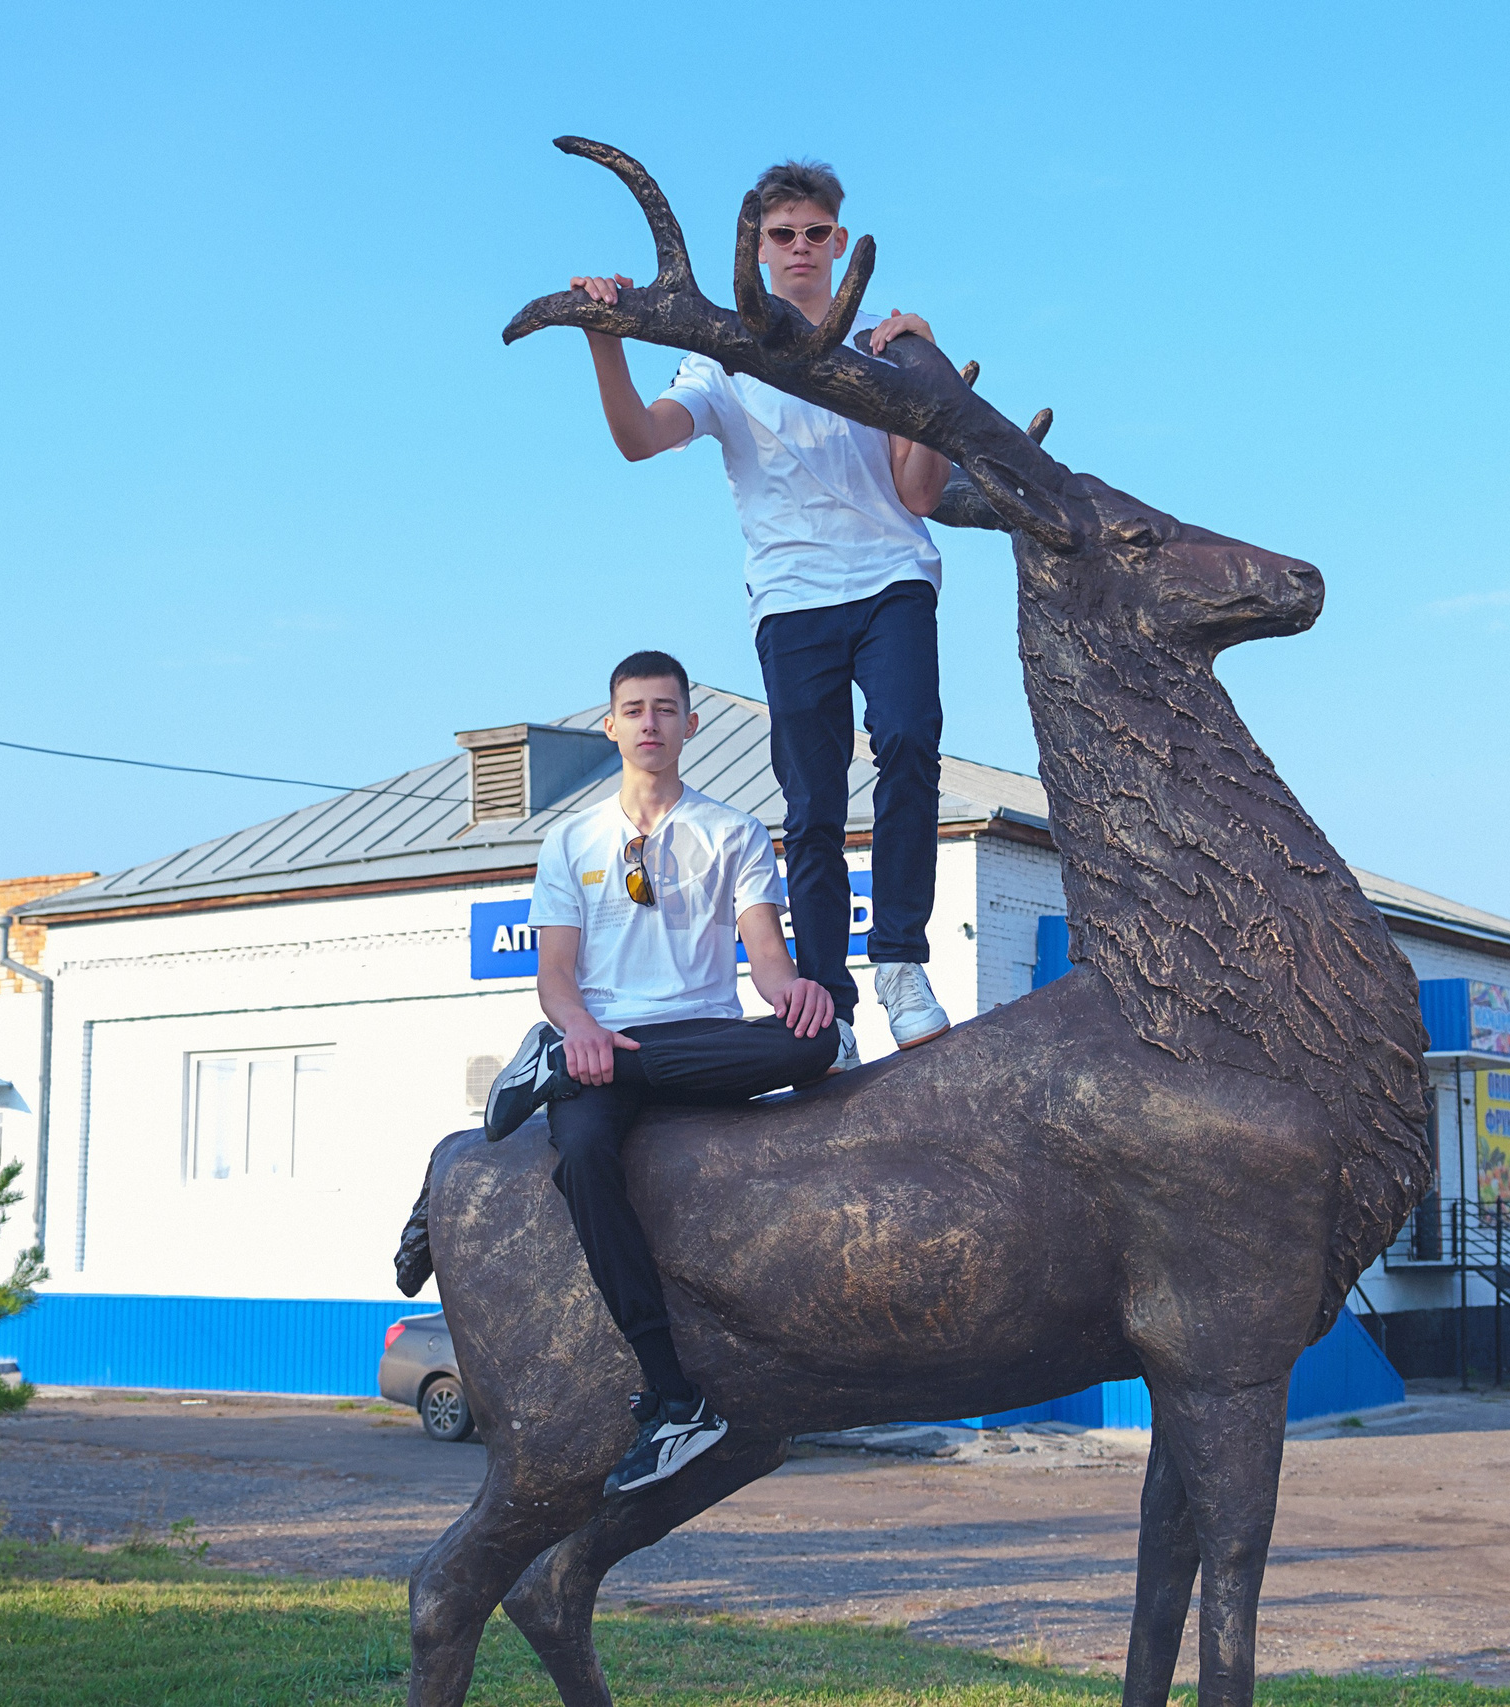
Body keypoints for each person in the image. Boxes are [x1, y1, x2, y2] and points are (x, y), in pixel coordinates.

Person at [563, 157, 954, 1071]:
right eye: (784, 235)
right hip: (791, 597)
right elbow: (639, 440)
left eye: (818, 233)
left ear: (841, 242)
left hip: (892, 575)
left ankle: (899, 961)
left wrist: (931, 384)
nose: (802, 249)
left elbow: (921, 492)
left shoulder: (887, 340)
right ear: (759, 247)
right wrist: (603, 338)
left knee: (906, 740)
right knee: (813, 803)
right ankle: (832, 1001)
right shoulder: (723, 355)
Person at [481, 650, 838, 1496]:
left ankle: (553, 1071)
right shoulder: (572, 838)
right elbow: (556, 976)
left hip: (699, 1045)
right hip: (596, 1038)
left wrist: (799, 992)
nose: (650, 722)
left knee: (813, 1044)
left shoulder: (734, 833)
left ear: (689, 724)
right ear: (610, 726)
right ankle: (675, 1400)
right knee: (587, 1164)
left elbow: (768, 966)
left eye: (665, 709)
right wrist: (578, 1029)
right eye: (633, 709)